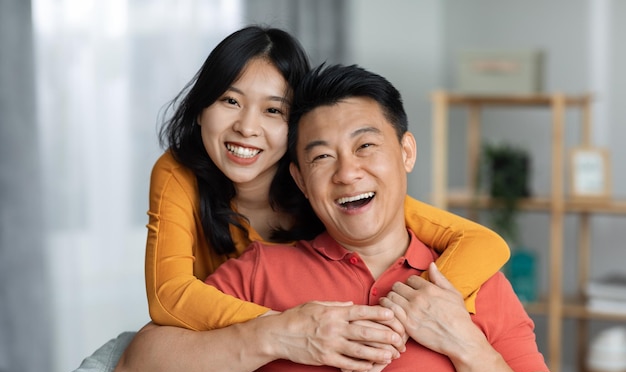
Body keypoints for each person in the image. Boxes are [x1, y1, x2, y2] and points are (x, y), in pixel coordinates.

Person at [114, 63, 566, 372]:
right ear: (301, 180)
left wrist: (463, 342)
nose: (348, 173)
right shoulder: (260, 269)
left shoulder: (470, 279)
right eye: (323, 157)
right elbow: (137, 371)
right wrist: (281, 334)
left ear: (406, 152)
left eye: (366, 146)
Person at [146, 24, 508, 338]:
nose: (247, 127)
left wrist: (402, 315)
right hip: (233, 350)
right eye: (230, 101)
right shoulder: (179, 172)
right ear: (199, 110)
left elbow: (482, 242)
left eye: (273, 110)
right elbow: (168, 297)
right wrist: (290, 329)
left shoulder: (329, 184)